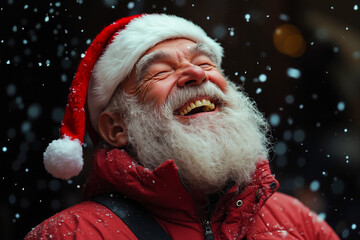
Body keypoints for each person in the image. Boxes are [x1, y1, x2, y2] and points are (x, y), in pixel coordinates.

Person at [25, 14, 339, 239]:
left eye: (205, 63)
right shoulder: (71, 234)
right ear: (116, 129)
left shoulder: (296, 221)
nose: (196, 73)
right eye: (160, 71)